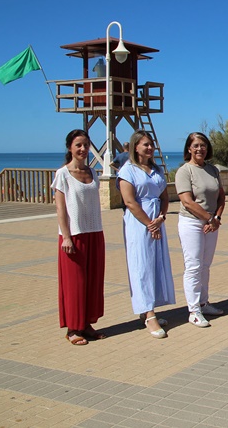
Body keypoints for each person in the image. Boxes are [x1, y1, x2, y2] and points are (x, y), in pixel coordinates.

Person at [118, 130, 176, 338]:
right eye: (145, 145)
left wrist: (161, 217)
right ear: (136, 147)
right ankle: (148, 314)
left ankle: (150, 307)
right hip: (139, 224)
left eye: (151, 144)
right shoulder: (128, 171)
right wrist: (149, 223)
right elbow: (130, 201)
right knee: (141, 265)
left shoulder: (156, 170)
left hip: (157, 221)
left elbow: (164, 196)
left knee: (155, 264)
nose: (150, 148)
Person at [52, 129, 106, 345]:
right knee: (75, 283)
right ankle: (73, 328)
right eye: (78, 145)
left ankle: (86, 324)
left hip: (94, 232)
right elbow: (60, 209)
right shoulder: (62, 174)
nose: (83, 149)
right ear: (70, 148)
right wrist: (66, 237)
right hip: (73, 235)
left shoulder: (93, 173)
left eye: (86, 145)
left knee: (93, 281)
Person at [176, 132, 226, 328]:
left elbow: (221, 196)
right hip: (192, 223)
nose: (199, 149)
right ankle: (193, 310)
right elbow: (187, 202)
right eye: (195, 145)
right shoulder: (184, 171)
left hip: (211, 223)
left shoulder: (212, 169)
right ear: (189, 148)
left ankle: (204, 303)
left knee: (205, 265)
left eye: (203, 145)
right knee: (193, 266)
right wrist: (209, 219)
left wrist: (217, 218)